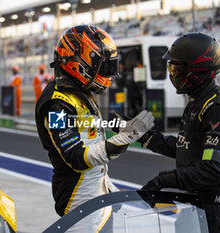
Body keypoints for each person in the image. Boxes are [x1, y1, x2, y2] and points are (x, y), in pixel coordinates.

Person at [35, 25, 154, 232]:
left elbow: (88, 132)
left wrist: (117, 126)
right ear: (79, 62)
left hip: (96, 191)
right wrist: (122, 140)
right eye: (102, 66)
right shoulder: (56, 104)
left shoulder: (78, 92)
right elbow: (75, 157)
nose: (106, 73)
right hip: (78, 200)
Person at [140, 32, 220, 233]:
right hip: (196, 206)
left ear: (196, 70)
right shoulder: (198, 102)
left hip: (214, 213)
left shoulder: (216, 109)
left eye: (176, 67)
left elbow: (212, 170)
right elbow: (188, 149)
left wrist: (162, 181)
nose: (172, 73)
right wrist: (144, 136)